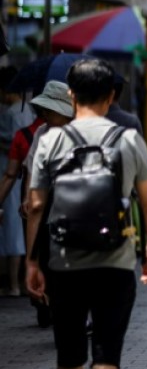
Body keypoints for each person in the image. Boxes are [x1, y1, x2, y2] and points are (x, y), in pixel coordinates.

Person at [24, 59, 147, 369]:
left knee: (69, 350)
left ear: (70, 95)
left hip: (63, 260)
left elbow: (36, 205)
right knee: (107, 352)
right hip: (115, 260)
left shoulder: (49, 140)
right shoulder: (128, 139)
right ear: (112, 95)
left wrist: (32, 262)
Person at [0, 81, 73, 323]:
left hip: (76, 210)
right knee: (49, 263)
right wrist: (28, 198)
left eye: (51, 111)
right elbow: (32, 170)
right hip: (49, 208)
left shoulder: (80, 133)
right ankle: (54, 307)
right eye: (46, 111)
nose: (46, 115)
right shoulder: (41, 133)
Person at [0, 84, 35, 296]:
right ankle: (19, 282)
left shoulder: (14, 114)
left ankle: (14, 283)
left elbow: (12, 168)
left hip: (12, 174)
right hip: (22, 177)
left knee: (13, 227)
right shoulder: (28, 111)